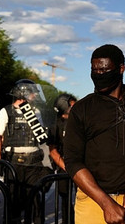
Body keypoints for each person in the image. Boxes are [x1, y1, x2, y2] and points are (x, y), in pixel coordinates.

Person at [63, 44, 125, 224]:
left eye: (105, 70)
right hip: (93, 200)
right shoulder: (81, 109)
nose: (99, 75)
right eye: (95, 70)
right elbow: (72, 161)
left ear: (121, 68)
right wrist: (105, 203)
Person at [0, 79, 53, 224]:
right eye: (32, 92)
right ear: (23, 93)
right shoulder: (6, 111)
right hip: (13, 161)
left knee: (35, 199)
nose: (34, 95)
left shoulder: (35, 111)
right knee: (13, 198)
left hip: (33, 161)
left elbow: (41, 135)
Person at [47, 93, 76, 224]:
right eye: (71, 104)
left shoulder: (80, 120)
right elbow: (52, 151)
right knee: (65, 198)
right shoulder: (55, 125)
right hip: (64, 166)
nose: (75, 106)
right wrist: (67, 167)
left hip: (82, 165)